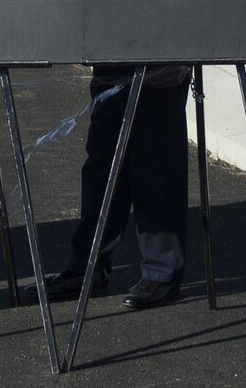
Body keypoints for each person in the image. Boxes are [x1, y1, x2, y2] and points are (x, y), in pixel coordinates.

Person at [27, 65, 194, 309]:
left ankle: (161, 274)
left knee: (156, 165)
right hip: (110, 55)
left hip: (162, 60)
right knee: (103, 166)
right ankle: (87, 268)